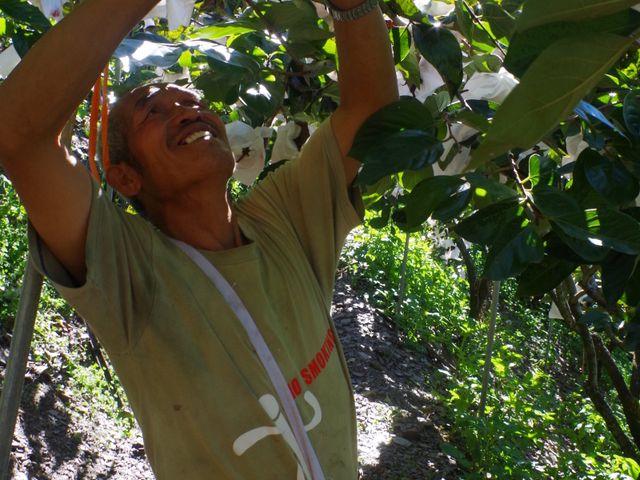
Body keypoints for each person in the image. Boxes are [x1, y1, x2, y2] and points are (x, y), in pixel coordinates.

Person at [0, 0, 397, 478]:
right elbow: (19, 136)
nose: (186, 112)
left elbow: (372, 112)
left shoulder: (286, 217)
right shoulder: (126, 268)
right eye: (153, 113)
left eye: (191, 102)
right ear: (125, 179)